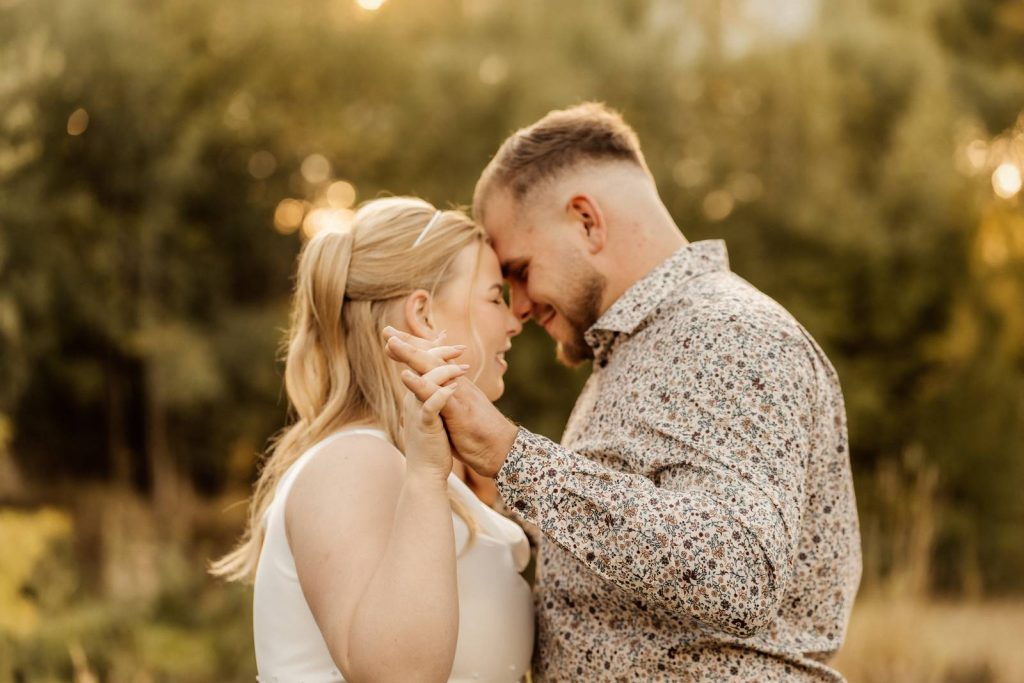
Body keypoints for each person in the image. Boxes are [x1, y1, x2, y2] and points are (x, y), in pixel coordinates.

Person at [386, 103, 862, 681]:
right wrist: (497, 494)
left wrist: (514, 458)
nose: (521, 304)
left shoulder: (728, 334)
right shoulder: (633, 352)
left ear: (586, 221)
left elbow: (735, 575)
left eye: (521, 269)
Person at [211, 197, 533, 682]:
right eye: (493, 297)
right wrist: (425, 478)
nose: (512, 322)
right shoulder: (351, 463)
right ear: (423, 314)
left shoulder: (390, 461)